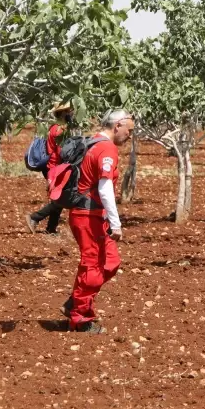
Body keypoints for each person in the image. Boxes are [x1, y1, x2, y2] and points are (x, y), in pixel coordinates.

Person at [67, 110, 131, 333]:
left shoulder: (93, 141)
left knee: (110, 262)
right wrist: (116, 223)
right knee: (92, 265)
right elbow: (105, 188)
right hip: (88, 216)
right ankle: (80, 319)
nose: (129, 135)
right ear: (117, 125)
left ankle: (75, 301)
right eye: (128, 130)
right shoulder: (106, 148)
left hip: (92, 215)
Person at [27, 101, 76, 235]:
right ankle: (34, 217)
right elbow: (63, 152)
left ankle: (51, 228)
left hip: (54, 167)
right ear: (63, 113)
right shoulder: (60, 130)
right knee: (62, 198)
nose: (71, 112)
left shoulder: (56, 127)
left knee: (58, 196)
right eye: (69, 110)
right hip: (56, 168)